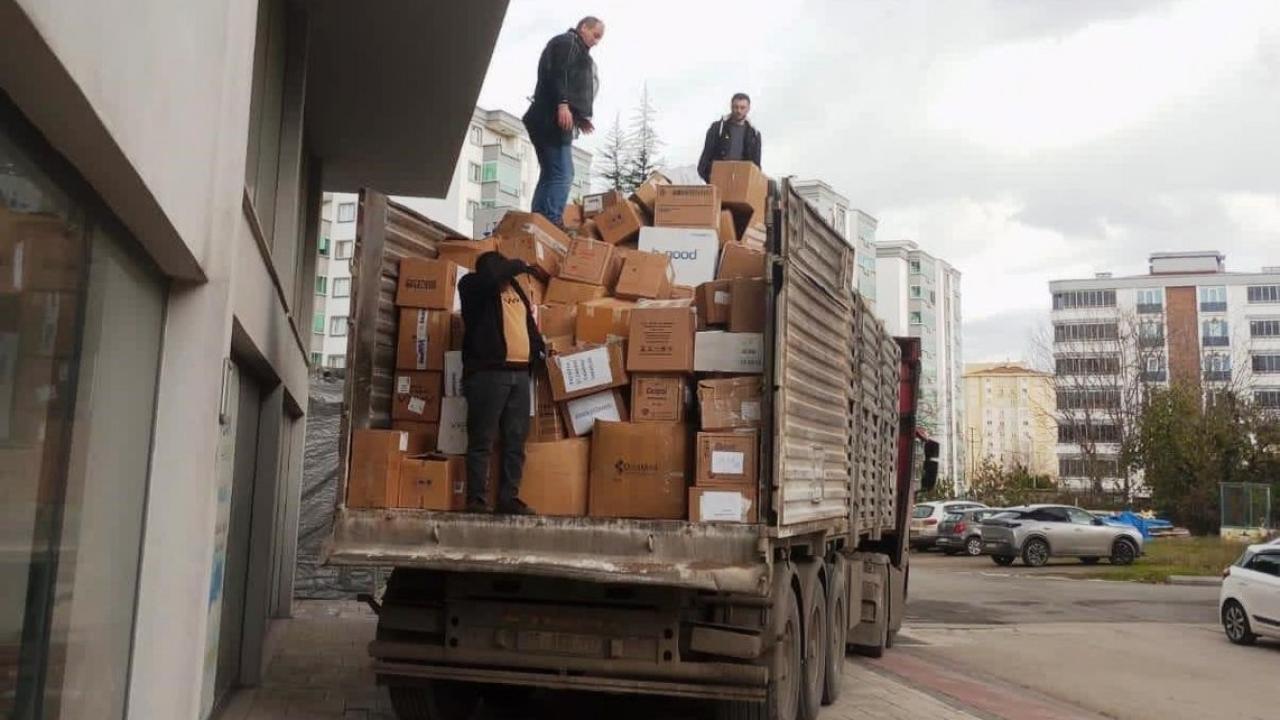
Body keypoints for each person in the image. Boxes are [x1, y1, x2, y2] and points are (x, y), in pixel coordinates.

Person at [458, 251, 548, 514]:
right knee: (482, 439)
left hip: (519, 375)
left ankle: (509, 498)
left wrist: (538, 351)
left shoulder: (515, 289)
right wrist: (519, 265)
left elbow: (528, 324)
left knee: (515, 440)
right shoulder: (473, 286)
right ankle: (476, 500)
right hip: (488, 374)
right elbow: (492, 278)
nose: (509, 278)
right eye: (504, 271)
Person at [522, 16, 604, 227]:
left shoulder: (573, 47)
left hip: (545, 118)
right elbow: (559, 74)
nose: (596, 42)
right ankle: (550, 220)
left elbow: (565, 78)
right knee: (563, 173)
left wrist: (578, 117)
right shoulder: (568, 43)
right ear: (583, 27)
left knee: (551, 173)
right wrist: (563, 104)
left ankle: (539, 219)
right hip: (549, 120)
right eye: (595, 35)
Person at [697, 93, 762, 182]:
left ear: (748, 109)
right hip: (718, 182)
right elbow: (704, 160)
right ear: (731, 107)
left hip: (742, 183)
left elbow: (756, 167)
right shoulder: (718, 128)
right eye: (736, 107)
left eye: (742, 108)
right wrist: (712, 180)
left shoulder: (754, 134)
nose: (739, 111)